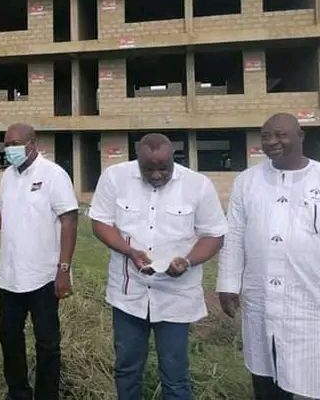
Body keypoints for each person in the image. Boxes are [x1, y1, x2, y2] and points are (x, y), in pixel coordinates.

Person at [217, 113, 320, 400]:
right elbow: (234, 236)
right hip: (265, 304)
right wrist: (228, 284)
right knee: (268, 377)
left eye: (281, 135)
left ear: (300, 137)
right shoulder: (247, 182)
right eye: (266, 136)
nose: (272, 142)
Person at [88, 133, 227, 400]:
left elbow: (214, 235)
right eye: (148, 169)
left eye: (163, 168)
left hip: (176, 296)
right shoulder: (115, 177)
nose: (156, 175)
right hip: (129, 293)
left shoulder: (197, 185)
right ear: (137, 159)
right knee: (127, 368)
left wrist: (187, 261)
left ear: (174, 158)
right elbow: (100, 222)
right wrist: (129, 251)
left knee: (175, 374)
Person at [0, 123, 79, 400]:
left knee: (47, 342)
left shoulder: (54, 174)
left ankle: (47, 395)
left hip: (43, 276)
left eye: (14, 144)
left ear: (32, 144)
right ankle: (18, 391)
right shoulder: (8, 175)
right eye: (6, 144)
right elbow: (1, 210)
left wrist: (64, 270)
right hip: (10, 275)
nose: (9, 149)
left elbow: (69, 221)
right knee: (8, 334)